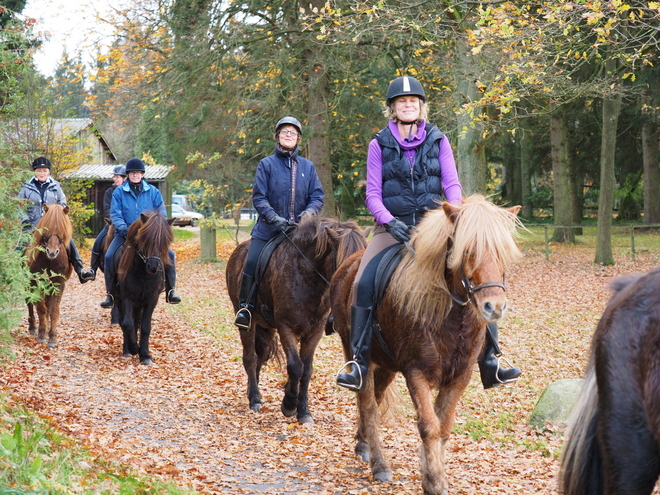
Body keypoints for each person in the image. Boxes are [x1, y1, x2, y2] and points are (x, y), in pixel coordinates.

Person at [335, 76, 521, 392]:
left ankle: (491, 359)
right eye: (401, 101)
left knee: (478, 276)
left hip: (436, 227)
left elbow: (452, 183)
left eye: (413, 101)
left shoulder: (438, 140)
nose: (408, 105)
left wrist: (457, 215)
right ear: (392, 108)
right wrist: (388, 220)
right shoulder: (378, 143)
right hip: (392, 229)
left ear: (421, 106)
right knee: (364, 281)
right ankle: (358, 361)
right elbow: (373, 193)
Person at [233, 116, 325, 331]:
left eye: (292, 132)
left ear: (298, 138)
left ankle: (327, 314)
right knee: (252, 261)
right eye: (284, 131)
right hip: (269, 230)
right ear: (277, 136)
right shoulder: (266, 164)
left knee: (324, 261)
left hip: (300, 232)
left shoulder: (308, 167)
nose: (288, 135)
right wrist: (275, 219)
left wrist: (308, 215)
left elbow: (317, 196)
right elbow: (259, 198)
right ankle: (246, 307)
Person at [100, 158, 181, 308]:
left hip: (148, 236)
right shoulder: (119, 192)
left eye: (138, 173)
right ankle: (110, 294)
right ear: (128, 175)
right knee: (110, 256)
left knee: (170, 254)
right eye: (132, 173)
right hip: (124, 234)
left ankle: (171, 291)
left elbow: (161, 213)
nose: (135, 175)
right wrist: (124, 229)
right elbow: (115, 214)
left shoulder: (153, 192)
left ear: (142, 174)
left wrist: (157, 229)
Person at [17, 156, 95, 284]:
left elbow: (62, 203)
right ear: (34, 172)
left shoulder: (55, 186)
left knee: (70, 243)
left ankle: (80, 270)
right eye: (39, 170)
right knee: (20, 246)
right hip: (33, 225)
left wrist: (59, 214)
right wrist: (24, 220)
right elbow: (18, 206)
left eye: (44, 170)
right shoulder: (27, 187)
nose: (42, 173)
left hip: (53, 227)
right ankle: (12, 272)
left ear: (49, 172)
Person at [87, 165, 126, 280]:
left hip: (129, 224)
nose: (115, 179)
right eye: (115, 177)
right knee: (98, 242)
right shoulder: (110, 192)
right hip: (112, 224)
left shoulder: (128, 192)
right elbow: (107, 209)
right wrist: (117, 219)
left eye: (118, 177)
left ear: (124, 178)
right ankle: (92, 270)